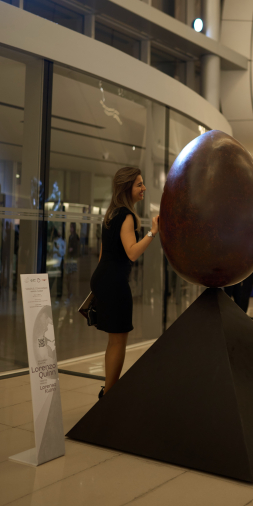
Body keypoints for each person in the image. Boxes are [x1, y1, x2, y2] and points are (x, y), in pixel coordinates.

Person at [91, 167, 159, 398]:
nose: (144, 188)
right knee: (119, 341)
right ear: (127, 187)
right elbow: (131, 252)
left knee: (113, 341)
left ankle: (108, 390)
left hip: (102, 278)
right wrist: (152, 233)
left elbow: (103, 254)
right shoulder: (127, 216)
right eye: (139, 184)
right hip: (114, 283)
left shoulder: (111, 214)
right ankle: (110, 396)